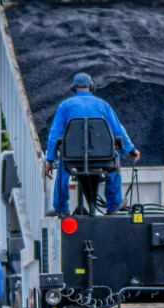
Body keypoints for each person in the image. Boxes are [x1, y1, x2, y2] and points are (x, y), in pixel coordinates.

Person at [43, 71, 140, 216]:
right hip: (103, 161)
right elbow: (118, 130)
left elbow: (54, 135)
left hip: (73, 161)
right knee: (114, 167)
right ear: (92, 87)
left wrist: (50, 160)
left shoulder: (65, 106)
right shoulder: (103, 106)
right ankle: (113, 206)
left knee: (62, 170)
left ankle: (61, 208)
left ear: (73, 88)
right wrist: (130, 150)